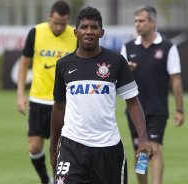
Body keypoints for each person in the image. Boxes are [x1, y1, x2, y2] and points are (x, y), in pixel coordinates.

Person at [50, 6, 155, 184]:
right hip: (72, 146)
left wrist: (143, 140)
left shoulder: (116, 62)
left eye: (94, 27)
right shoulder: (63, 65)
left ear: (102, 32)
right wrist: (53, 145)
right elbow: (59, 106)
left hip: (108, 148)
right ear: (76, 32)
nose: (89, 32)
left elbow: (133, 102)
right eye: (84, 27)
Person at [120, 5, 185, 184]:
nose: (137, 25)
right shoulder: (128, 48)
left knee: (154, 148)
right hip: (134, 110)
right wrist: (126, 71)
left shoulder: (168, 47)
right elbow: (117, 80)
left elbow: (176, 80)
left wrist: (180, 109)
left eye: (141, 21)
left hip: (157, 109)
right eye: (135, 21)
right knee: (140, 152)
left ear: (153, 22)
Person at [17, 1, 77, 184]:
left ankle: (61, 181)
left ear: (68, 20)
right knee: (35, 147)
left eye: (63, 23)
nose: (59, 27)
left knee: (61, 149)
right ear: (49, 16)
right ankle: (46, 179)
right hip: (38, 99)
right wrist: (20, 94)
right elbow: (24, 63)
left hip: (64, 101)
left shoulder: (75, 35)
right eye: (56, 22)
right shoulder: (36, 32)